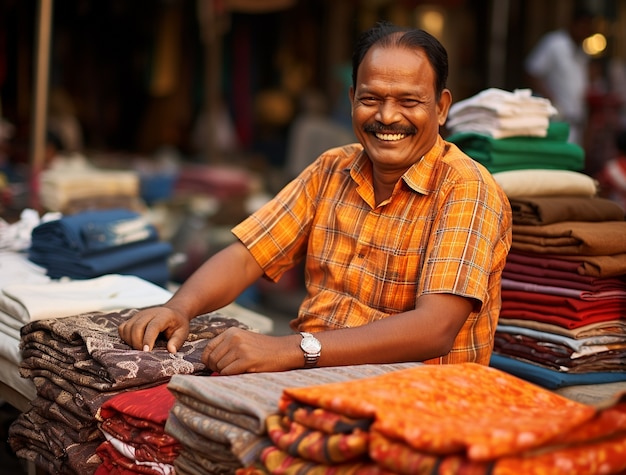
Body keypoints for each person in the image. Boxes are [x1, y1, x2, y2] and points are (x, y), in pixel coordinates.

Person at [119, 21, 513, 375]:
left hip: (416, 396)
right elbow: (247, 254)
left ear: (441, 107)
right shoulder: (332, 168)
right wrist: (179, 308)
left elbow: (435, 329)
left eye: (409, 101)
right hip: (317, 373)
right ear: (352, 99)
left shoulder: (466, 188)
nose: (388, 117)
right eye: (371, 98)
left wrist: (293, 349)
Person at [524, 8, 594, 146]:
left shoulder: (582, 53)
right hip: (554, 121)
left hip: (575, 123)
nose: (585, 32)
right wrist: (552, 100)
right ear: (573, 24)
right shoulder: (555, 43)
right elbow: (532, 72)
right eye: (583, 26)